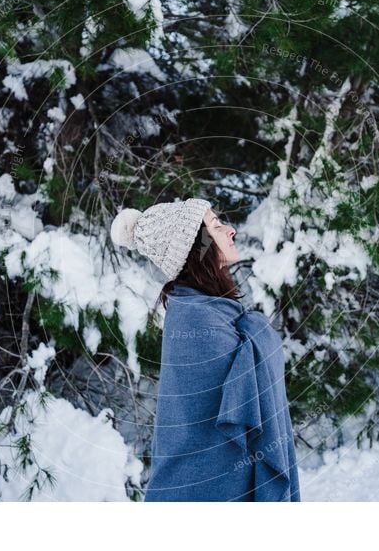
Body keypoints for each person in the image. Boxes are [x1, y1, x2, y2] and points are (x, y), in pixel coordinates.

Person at [110, 197, 301, 502]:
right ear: (196, 248)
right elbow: (230, 410)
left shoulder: (208, 310)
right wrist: (258, 328)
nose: (230, 231)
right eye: (215, 225)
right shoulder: (195, 317)